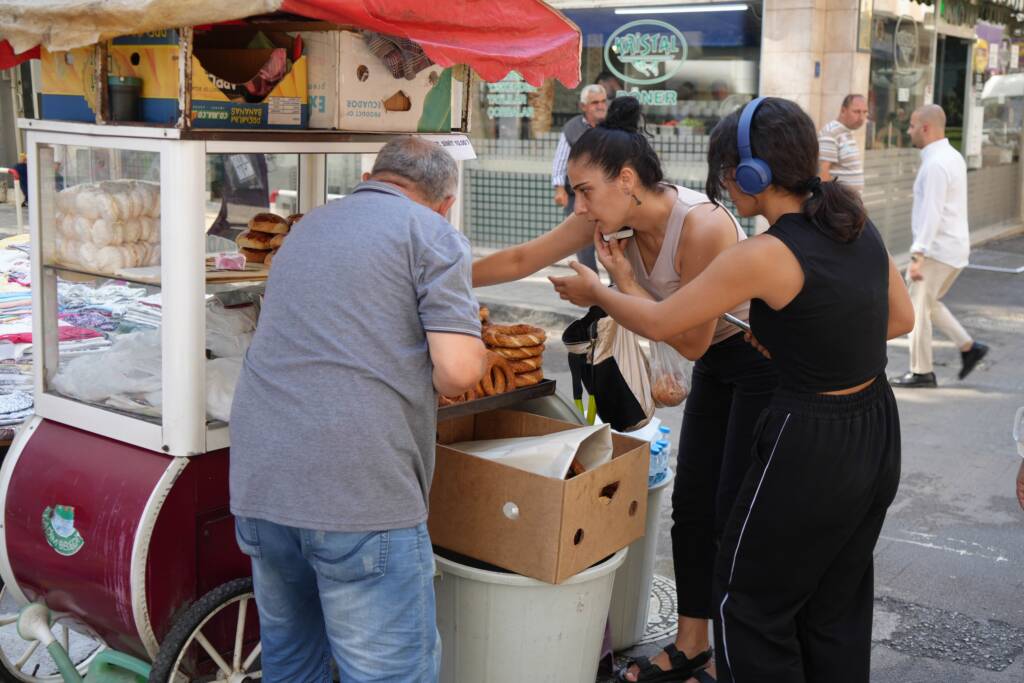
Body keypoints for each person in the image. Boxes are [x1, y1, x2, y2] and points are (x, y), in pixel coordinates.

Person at [551, 96, 914, 683]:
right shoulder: (854, 220)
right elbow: (900, 320)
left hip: (809, 436)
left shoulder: (765, 253)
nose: (723, 183)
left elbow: (667, 326)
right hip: (875, 426)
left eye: (727, 170)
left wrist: (600, 293)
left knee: (748, 604)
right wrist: (810, 338)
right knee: (834, 605)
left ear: (754, 173)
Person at [476, 96, 777, 683]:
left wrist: (617, 287)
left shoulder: (703, 224)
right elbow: (521, 256)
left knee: (736, 512)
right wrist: (435, 272)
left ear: (629, 180)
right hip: (713, 365)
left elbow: (689, 337)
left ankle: (738, 657)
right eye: (573, 191)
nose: (577, 205)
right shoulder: (604, 215)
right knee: (692, 507)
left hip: (758, 365)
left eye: (584, 190)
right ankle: (692, 644)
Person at [229, 137, 487, 683]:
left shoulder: (310, 227)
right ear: (445, 201)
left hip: (263, 479)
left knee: (292, 663)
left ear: (373, 175)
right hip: (359, 490)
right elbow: (460, 371)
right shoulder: (432, 233)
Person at [890, 104, 988, 388]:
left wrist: (918, 254)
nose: (908, 131)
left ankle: (922, 372)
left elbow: (931, 213)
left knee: (916, 310)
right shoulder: (951, 156)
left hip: (935, 251)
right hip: (952, 249)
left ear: (925, 128)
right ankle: (969, 347)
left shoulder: (935, 164)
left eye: (910, 126)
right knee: (928, 304)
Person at [552, 84, 608, 274]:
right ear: (583, 106)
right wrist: (559, 187)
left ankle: (615, 288)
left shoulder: (613, 125)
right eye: (595, 103)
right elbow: (561, 159)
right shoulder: (572, 128)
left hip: (607, 194)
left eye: (603, 101)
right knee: (582, 245)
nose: (600, 106)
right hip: (579, 196)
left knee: (612, 242)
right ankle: (591, 284)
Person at [818, 94, 868, 193]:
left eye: (865, 112)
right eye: (856, 112)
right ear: (843, 111)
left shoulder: (846, 132)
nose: (862, 117)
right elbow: (822, 173)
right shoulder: (831, 132)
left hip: (850, 204)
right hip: (839, 205)